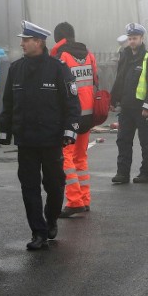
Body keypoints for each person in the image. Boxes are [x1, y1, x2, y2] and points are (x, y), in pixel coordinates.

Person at [0, 21, 81, 250]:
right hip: (26, 141)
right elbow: (8, 103)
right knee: (29, 188)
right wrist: (5, 131)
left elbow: (72, 102)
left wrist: (69, 130)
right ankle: (38, 232)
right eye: (22, 40)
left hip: (51, 139)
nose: (22, 44)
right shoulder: (16, 69)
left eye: (26, 40)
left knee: (55, 185)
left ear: (39, 42)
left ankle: (51, 217)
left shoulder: (58, 68)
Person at [50, 22, 99, 218]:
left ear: (58, 38)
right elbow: (95, 81)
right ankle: (85, 199)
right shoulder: (89, 54)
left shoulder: (61, 55)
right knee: (81, 157)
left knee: (65, 158)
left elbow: (57, 87)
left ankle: (75, 200)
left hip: (70, 116)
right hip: (87, 115)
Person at [110, 22, 148, 184]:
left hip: (142, 109)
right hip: (126, 108)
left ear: (141, 38)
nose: (132, 41)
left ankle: (147, 173)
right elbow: (119, 80)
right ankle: (122, 173)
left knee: (146, 142)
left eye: (135, 38)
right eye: (130, 38)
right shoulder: (124, 57)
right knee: (123, 141)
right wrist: (113, 100)